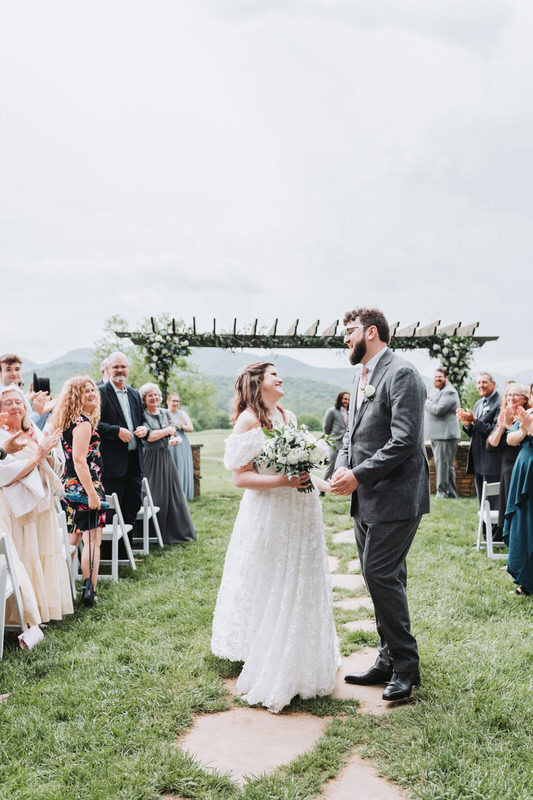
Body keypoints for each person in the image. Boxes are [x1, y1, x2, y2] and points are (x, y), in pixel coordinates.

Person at [211, 362, 340, 713]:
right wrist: (284, 483)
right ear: (257, 382)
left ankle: (301, 653)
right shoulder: (249, 420)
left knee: (300, 579)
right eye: (273, 375)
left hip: (301, 512)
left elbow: (300, 471)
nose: (280, 379)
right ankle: (266, 650)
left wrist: (323, 482)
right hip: (269, 514)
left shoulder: (289, 415)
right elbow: (241, 478)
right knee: (271, 578)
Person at [330, 307, 430, 702]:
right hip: (365, 496)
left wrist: (359, 474)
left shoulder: (402, 373)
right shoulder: (361, 377)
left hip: (396, 495)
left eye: (349, 331)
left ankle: (406, 665)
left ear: (371, 332)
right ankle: (387, 659)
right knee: (383, 578)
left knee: (379, 574)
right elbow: (349, 436)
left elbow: (405, 440)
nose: (345, 339)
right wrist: (342, 467)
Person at [0, 385, 73, 623]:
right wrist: (38, 455)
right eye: (8, 403)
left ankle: (42, 609)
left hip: (41, 508)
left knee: (43, 556)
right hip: (15, 509)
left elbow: (55, 464)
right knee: (24, 557)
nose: (14, 406)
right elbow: (6, 473)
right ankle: (18, 615)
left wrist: (48, 454)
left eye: (18, 402)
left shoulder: (33, 430)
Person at [53, 377, 106, 596]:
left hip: (70, 486)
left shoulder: (68, 421)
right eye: (86, 391)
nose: (92, 393)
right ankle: (89, 589)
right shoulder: (82, 424)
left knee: (72, 537)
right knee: (92, 540)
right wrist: (93, 494)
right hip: (85, 487)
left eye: (93, 389)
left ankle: (63, 588)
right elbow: (79, 461)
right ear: (76, 396)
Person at [98, 352, 148, 551]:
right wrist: (116, 431)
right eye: (116, 367)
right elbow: (93, 423)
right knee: (112, 510)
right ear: (108, 369)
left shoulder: (135, 393)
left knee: (132, 505)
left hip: (135, 460)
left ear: (128, 369)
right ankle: (112, 554)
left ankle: (128, 550)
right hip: (112, 462)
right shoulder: (100, 392)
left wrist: (145, 429)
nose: (120, 370)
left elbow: (142, 419)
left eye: (123, 367)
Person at [140, 384, 196, 543]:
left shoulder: (165, 413)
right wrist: (167, 431)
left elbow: (173, 434)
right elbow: (149, 437)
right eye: (150, 395)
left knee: (172, 493)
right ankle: (153, 533)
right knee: (153, 493)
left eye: (156, 395)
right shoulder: (142, 414)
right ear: (144, 398)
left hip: (166, 457)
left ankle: (175, 531)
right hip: (150, 458)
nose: (154, 398)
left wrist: (173, 439)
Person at [457, 373, 501, 532]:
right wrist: (468, 424)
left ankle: (496, 535)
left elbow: (494, 432)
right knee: (482, 500)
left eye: (484, 382)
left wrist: (475, 420)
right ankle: (485, 534)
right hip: (478, 459)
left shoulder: (500, 403)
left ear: (493, 384)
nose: (481, 385)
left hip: (492, 460)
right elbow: (475, 433)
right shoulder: (478, 403)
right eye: (478, 382)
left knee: (494, 500)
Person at [487, 383, 530, 532]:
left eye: (515, 394)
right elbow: (490, 446)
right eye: (509, 395)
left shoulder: (528, 415)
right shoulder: (503, 415)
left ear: (525, 398)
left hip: (525, 468)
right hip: (508, 471)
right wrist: (501, 427)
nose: (511, 398)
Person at [503, 405, 533, 596]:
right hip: (524, 469)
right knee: (523, 523)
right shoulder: (528, 414)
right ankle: (527, 580)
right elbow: (510, 439)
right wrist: (524, 428)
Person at [424, 367, 461, 498]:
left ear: (446, 378)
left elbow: (439, 410)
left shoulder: (449, 392)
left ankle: (441, 493)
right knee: (446, 465)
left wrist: (425, 402)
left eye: (440, 377)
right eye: (435, 377)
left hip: (445, 435)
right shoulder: (438, 390)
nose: (437, 379)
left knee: (442, 465)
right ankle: (451, 492)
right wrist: (429, 402)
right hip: (439, 435)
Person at [167, 392, 194, 500]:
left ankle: (182, 494)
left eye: (177, 401)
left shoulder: (182, 413)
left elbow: (191, 428)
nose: (176, 403)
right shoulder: (164, 413)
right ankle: (171, 494)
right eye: (173, 400)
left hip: (182, 444)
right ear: (168, 401)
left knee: (181, 466)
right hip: (169, 443)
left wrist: (181, 425)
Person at [322, 391, 350, 484]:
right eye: (345, 399)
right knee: (331, 466)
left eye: (349, 399)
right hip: (334, 444)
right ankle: (322, 489)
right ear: (340, 399)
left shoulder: (351, 412)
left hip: (347, 445)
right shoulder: (332, 411)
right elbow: (326, 428)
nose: (347, 401)